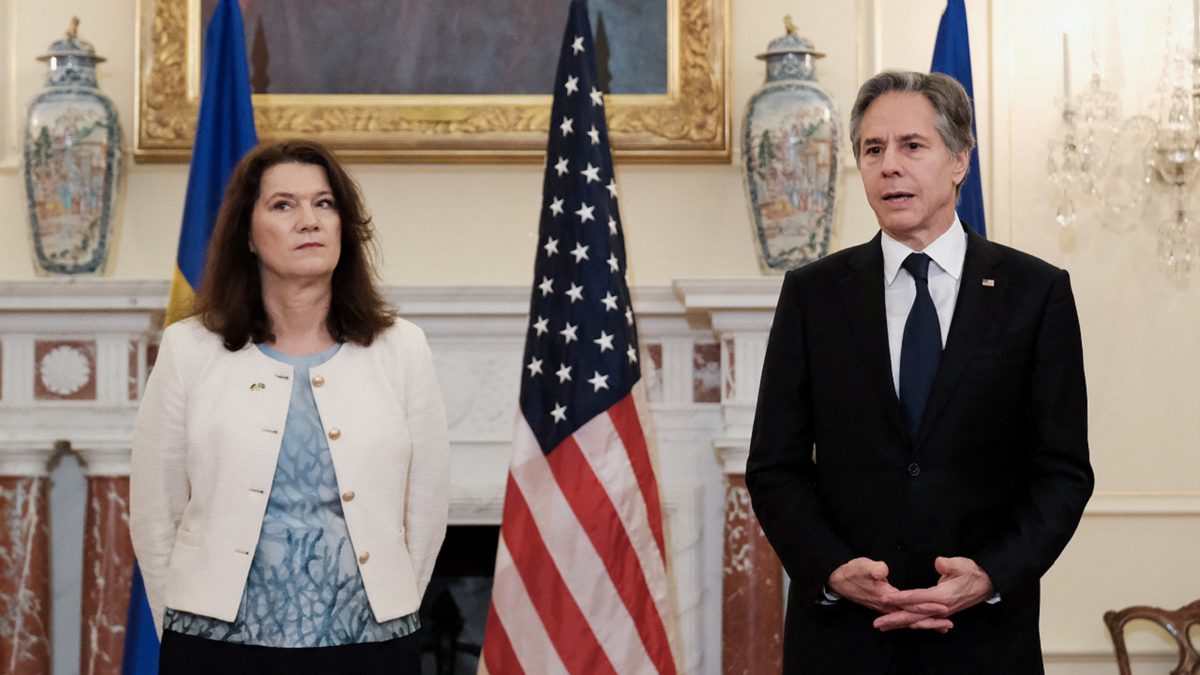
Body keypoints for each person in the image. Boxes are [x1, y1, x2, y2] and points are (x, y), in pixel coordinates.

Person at [745, 71, 1094, 675]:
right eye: (873, 150)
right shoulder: (813, 294)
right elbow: (775, 466)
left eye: (912, 146)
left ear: (959, 159)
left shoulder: (1035, 294)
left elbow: (1061, 471)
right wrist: (830, 567)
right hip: (842, 642)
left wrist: (991, 574)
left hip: (982, 642)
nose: (888, 167)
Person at [130, 139, 450, 674]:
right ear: (248, 236)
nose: (310, 221)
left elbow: (427, 507)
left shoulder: (403, 348)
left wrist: (392, 608)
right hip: (214, 645)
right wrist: (184, 616)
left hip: (370, 644)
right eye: (284, 205)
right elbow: (155, 511)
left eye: (324, 204)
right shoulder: (190, 349)